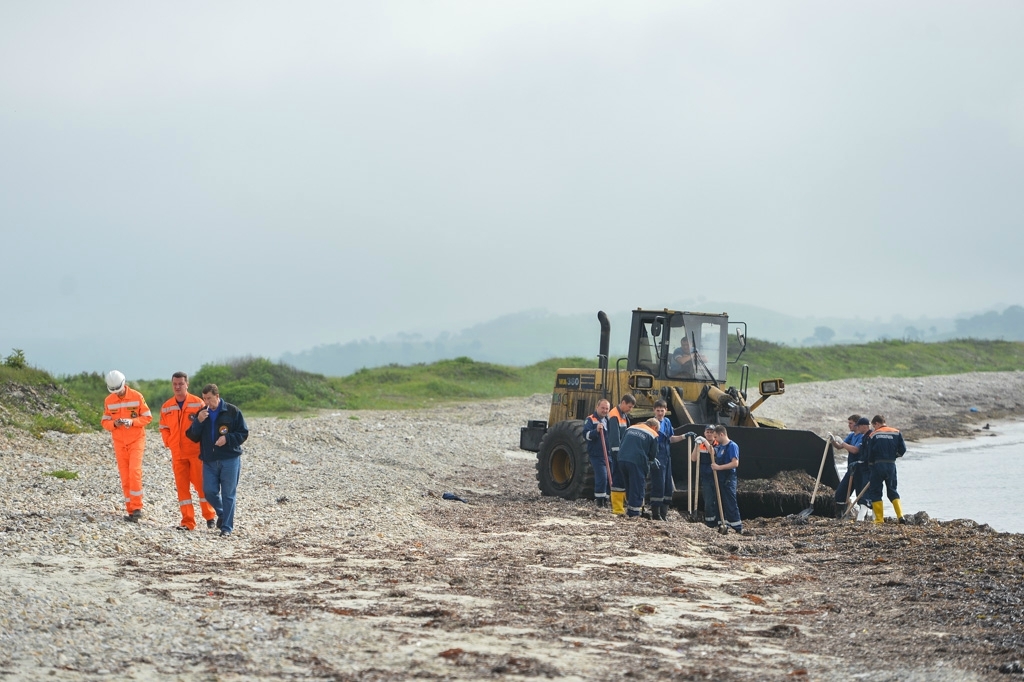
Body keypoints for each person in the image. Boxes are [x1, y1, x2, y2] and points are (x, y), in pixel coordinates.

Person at [186, 384, 248, 538]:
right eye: (204, 398)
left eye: (209, 398)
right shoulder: (202, 413)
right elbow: (192, 436)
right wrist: (198, 422)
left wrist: (227, 439)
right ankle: (222, 513)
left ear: (217, 396)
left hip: (229, 459)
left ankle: (226, 528)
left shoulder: (233, 411)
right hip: (209, 460)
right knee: (209, 491)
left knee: (228, 494)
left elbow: (243, 433)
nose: (206, 402)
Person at [159, 372, 216, 530]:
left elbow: (208, 426)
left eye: (181, 384)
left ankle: (210, 516)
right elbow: (163, 428)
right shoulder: (167, 406)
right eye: (175, 384)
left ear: (187, 384)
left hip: (195, 453)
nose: (177, 387)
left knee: (201, 486)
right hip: (177, 454)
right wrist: (168, 441)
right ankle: (188, 522)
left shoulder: (198, 403)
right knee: (182, 489)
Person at [101, 370, 153, 522]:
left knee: (134, 471)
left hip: (136, 439)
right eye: (115, 391)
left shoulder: (137, 397)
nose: (118, 393)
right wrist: (114, 424)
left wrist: (133, 422)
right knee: (125, 476)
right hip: (119, 442)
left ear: (124, 384)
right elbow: (104, 422)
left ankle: (137, 508)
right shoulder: (109, 400)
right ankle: (130, 510)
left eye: (119, 389)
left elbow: (148, 417)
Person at [863, 414, 907, 524]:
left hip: (878, 465)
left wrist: (871, 466)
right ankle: (900, 515)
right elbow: (903, 449)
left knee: (876, 492)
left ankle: (879, 520)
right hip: (891, 465)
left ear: (877, 423)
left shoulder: (873, 435)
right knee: (892, 491)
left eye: (874, 426)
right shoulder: (896, 432)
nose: (874, 428)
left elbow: (870, 454)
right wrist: (894, 456)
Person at [616, 418, 661, 518]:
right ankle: (634, 513)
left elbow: (622, 442)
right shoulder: (652, 433)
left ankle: (629, 508)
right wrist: (651, 460)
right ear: (654, 427)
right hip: (636, 461)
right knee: (637, 487)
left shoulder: (630, 428)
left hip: (622, 459)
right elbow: (653, 453)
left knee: (629, 486)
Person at [650, 399, 686, 521]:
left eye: (662, 410)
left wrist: (683, 437)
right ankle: (656, 514)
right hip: (657, 457)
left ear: (666, 410)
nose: (660, 413)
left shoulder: (667, 422)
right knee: (658, 485)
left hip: (666, 457)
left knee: (667, 486)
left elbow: (670, 438)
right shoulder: (651, 423)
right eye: (658, 410)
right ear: (654, 410)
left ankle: (664, 514)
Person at [833, 415, 871, 518]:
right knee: (840, 493)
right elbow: (839, 447)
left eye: (851, 423)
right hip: (850, 470)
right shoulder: (851, 435)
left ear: (857, 424)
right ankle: (840, 515)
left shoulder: (863, 437)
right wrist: (833, 440)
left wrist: (842, 442)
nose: (848, 425)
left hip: (860, 471)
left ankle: (863, 517)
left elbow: (855, 450)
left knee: (861, 495)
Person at [605, 394, 636, 515]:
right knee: (618, 478)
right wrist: (618, 453)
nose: (630, 409)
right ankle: (617, 508)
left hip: (623, 452)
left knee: (622, 478)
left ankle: (621, 505)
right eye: (629, 406)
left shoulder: (623, 415)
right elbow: (614, 437)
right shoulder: (614, 415)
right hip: (618, 453)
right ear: (623, 403)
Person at [711, 425, 742, 533]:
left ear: (722, 434)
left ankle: (737, 527)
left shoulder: (732, 446)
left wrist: (719, 467)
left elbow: (735, 463)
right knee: (720, 501)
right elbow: (711, 451)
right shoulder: (719, 447)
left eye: (716, 437)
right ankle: (723, 525)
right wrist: (702, 441)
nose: (715, 439)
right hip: (720, 478)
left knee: (730, 502)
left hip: (728, 478)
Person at [582, 399, 612, 507]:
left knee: (609, 477)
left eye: (607, 408)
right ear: (597, 407)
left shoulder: (608, 420)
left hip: (608, 454)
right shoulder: (591, 419)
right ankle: (599, 501)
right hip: (597, 454)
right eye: (602, 408)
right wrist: (596, 431)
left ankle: (606, 500)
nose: (604, 410)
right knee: (602, 477)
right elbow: (586, 435)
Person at [691, 425, 719, 526]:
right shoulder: (701, 445)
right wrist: (696, 445)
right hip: (706, 477)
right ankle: (710, 522)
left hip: (717, 475)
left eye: (711, 432)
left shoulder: (718, 444)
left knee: (718, 499)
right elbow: (693, 459)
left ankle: (719, 521)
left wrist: (704, 441)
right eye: (707, 432)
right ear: (704, 433)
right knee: (708, 500)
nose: (709, 434)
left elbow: (712, 453)